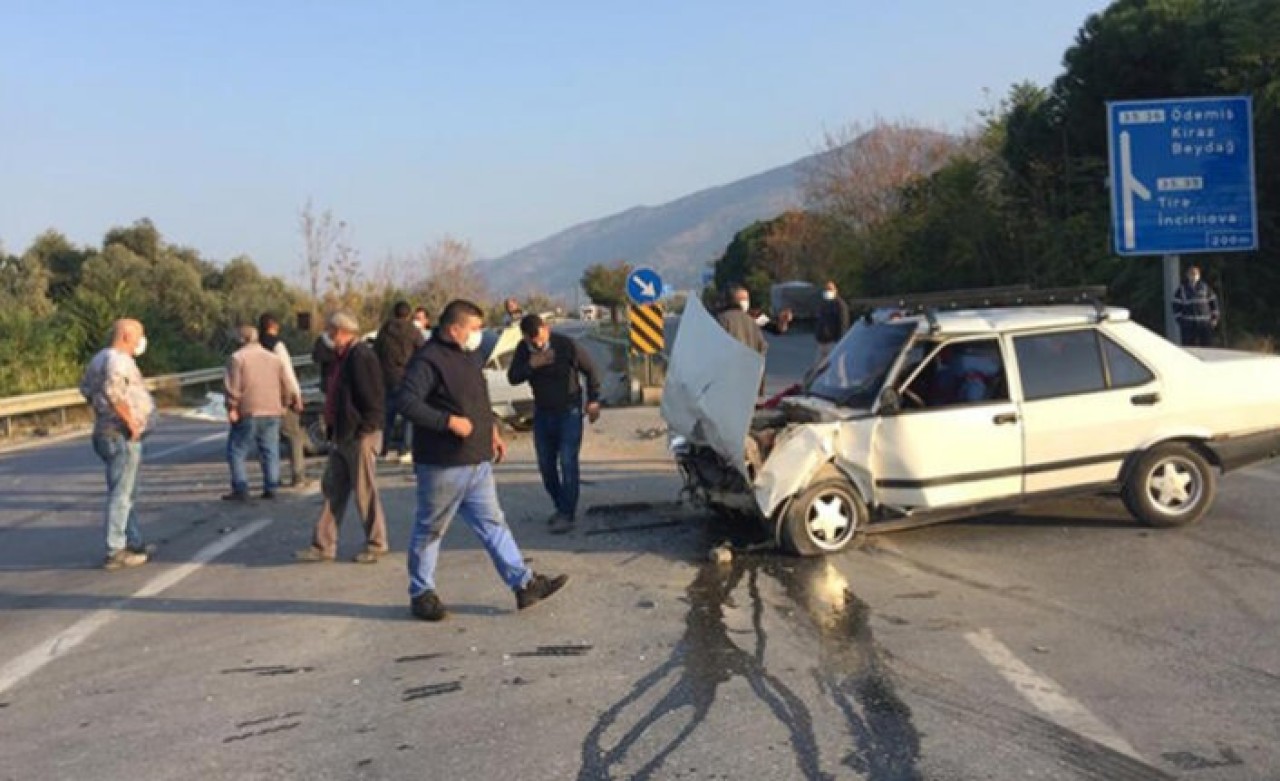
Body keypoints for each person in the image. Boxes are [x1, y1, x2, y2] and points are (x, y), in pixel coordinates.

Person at [398, 299, 568, 621]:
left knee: (493, 525)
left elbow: (478, 398)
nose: (478, 334)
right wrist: (447, 422)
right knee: (430, 529)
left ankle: (524, 584)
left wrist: (491, 432)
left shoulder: (469, 356)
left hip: (477, 461)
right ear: (454, 328)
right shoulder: (428, 361)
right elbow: (407, 402)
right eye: (474, 328)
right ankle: (421, 593)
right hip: (443, 464)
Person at [296, 312, 389, 564]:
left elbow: (373, 398)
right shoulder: (342, 357)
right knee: (333, 490)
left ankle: (376, 543)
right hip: (342, 434)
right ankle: (322, 545)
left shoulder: (361, 356)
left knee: (364, 492)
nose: (326, 335)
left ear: (339, 331)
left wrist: (365, 430)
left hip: (358, 435)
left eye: (329, 330)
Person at [508, 313, 603, 533]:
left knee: (568, 461)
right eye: (533, 342)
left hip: (569, 411)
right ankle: (561, 506)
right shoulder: (523, 350)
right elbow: (513, 377)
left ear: (546, 329)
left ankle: (567, 513)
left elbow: (591, 370)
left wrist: (594, 400)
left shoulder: (565, 345)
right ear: (525, 338)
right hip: (542, 412)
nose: (538, 344)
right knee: (546, 464)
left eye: (541, 338)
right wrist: (531, 364)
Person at [79, 318, 157, 570]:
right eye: (138, 336)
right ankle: (116, 548)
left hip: (106, 430)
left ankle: (133, 540)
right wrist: (131, 422)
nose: (140, 342)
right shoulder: (118, 361)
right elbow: (113, 391)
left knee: (127, 491)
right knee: (122, 494)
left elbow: (87, 389)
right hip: (120, 434)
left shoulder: (99, 358)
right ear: (125, 335)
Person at [223, 325, 294, 501]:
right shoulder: (274, 359)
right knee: (270, 449)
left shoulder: (237, 358)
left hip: (248, 410)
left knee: (237, 450)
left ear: (241, 340)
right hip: (272, 409)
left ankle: (240, 488)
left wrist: (232, 407)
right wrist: (285, 404)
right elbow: (285, 383)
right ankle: (271, 486)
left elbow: (233, 387)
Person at [259, 313, 309, 488]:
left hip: (261, 398)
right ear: (274, 326)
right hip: (280, 397)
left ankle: (272, 478)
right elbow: (287, 371)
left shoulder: (255, 345)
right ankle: (298, 476)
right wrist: (297, 394)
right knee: (293, 436)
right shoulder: (277, 345)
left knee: (268, 439)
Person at [372, 301, 425, 462]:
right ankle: (406, 449)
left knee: (387, 415)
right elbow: (423, 352)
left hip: (387, 378)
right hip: (408, 377)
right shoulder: (413, 331)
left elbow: (375, 352)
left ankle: (382, 449)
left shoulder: (385, 330)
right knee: (409, 415)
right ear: (409, 314)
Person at [1172, 265, 1220, 347]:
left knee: (1207, 347)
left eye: (1195, 274)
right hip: (1188, 324)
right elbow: (1176, 306)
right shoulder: (1182, 289)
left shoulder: (1205, 287)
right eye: (1191, 274)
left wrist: (1215, 318)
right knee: (1189, 348)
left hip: (1205, 323)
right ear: (1187, 275)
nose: (1194, 276)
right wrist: (1180, 321)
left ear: (1199, 275)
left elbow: (1213, 302)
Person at [716, 286, 768, 356]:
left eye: (746, 299)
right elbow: (762, 346)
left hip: (731, 361)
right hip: (750, 363)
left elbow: (718, 343)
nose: (746, 302)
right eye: (743, 299)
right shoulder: (752, 319)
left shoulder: (723, 318)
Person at [815, 281, 850, 362]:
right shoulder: (824, 303)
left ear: (835, 290)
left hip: (833, 342)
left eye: (829, 290)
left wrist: (840, 341)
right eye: (826, 290)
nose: (827, 292)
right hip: (822, 341)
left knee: (831, 365)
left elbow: (843, 324)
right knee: (818, 367)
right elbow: (820, 320)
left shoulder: (840, 305)